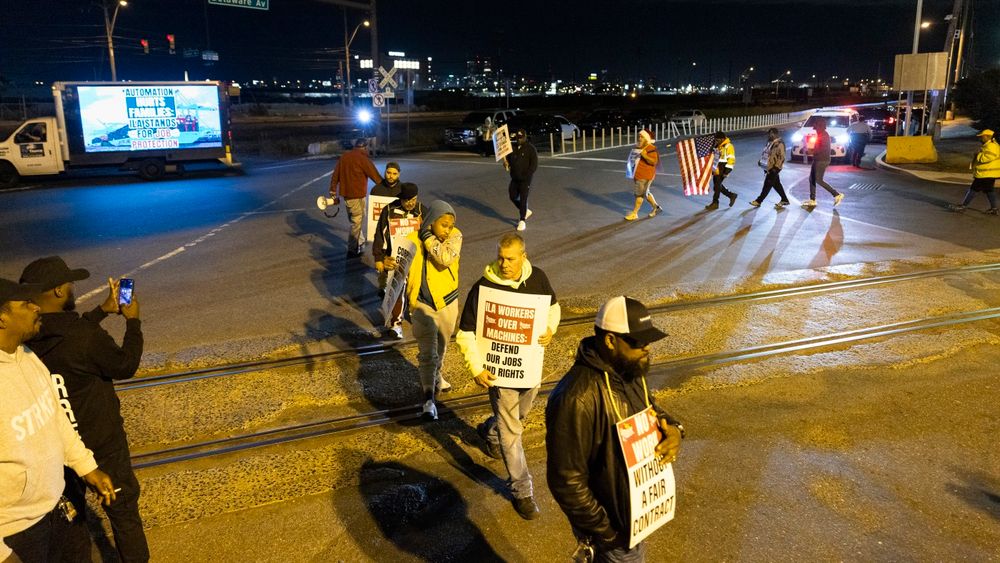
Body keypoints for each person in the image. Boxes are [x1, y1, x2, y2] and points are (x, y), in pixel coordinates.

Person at [19, 256, 148, 562]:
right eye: (69, 283)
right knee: (123, 512)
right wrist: (133, 321)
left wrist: (101, 311)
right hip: (103, 445)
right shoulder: (85, 338)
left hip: (60, 448)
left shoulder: (26, 338)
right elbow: (125, 364)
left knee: (71, 521)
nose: (73, 287)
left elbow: (68, 333)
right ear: (59, 292)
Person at [546, 296, 684, 563]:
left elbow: (652, 410)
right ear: (610, 341)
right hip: (614, 533)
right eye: (637, 343)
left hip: (633, 520)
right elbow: (566, 481)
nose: (647, 349)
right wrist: (607, 533)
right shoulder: (576, 398)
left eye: (648, 341)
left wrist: (676, 430)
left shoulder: (628, 371)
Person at [1, 277, 117, 563]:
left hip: (58, 510)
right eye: (25, 304)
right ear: (2, 319)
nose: (36, 307)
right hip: (17, 533)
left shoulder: (27, 356)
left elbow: (56, 418)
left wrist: (87, 466)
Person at [455, 233, 560, 520]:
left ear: (523, 257)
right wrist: (476, 368)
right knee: (513, 433)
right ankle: (522, 490)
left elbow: (553, 307)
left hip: (529, 371)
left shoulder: (537, 278)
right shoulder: (484, 286)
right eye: (500, 257)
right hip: (500, 375)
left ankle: (490, 431)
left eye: (510, 259)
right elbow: (464, 333)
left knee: (514, 421)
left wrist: (550, 328)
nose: (504, 264)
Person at [406, 200, 462, 420]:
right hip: (421, 304)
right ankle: (429, 398)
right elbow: (399, 267)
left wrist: (428, 237)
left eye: (450, 225)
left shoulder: (455, 236)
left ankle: (437, 375)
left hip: (447, 302)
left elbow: (444, 259)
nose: (447, 229)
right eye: (444, 225)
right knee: (427, 354)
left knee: (442, 347)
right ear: (431, 221)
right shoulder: (411, 240)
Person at [373, 182, 426, 338]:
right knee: (397, 291)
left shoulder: (423, 211)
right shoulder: (389, 211)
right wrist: (379, 258)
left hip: (417, 260)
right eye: (406, 200)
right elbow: (380, 236)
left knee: (418, 290)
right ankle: (396, 325)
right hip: (396, 259)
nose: (410, 203)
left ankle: (417, 315)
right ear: (400, 198)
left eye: (413, 199)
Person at [329, 138, 383, 256]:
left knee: (355, 220)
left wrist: (333, 191)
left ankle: (360, 242)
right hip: (357, 197)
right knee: (357, 222)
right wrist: (388, 187)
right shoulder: (363, 159)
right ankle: (352, 249)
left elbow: (335, 175)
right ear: (364, 147)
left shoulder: (344, 157)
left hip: (347, 197)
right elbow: (375, 176)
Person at [951, 129, 1000, 215]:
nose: (980, 138)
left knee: (973, 190)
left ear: (988, 137)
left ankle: (963, 206)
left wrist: (978, 154)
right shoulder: (989, 145)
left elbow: (988, 158)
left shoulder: (991, 146)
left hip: (985, 174)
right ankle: (994, 209)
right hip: (987, 173)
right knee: (989, 190)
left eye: (982, 137)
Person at [803, 117, 844, 209]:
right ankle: (812, 200)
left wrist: (811, 151)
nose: (815, 129)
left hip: (822, 160)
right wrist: (812, 151)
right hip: (817, 159)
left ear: (820, 126)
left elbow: (822, 149)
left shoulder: (824, 136)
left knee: (818, 180)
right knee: (812, 179)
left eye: (816, 127)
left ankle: (836, 194)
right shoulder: (821, 134)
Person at [625, 130, 664, 221]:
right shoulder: (639, 147)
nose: (639, 138)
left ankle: (634, 213)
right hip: (638, 175)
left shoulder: (650, 148)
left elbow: (654, 161)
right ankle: (656, 207)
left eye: (642, 137)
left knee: (639, 195)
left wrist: (645, 155)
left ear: (646, 138)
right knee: (645, 193)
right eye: (639, 136)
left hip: (645, 175)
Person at [503, 129, 538, 231]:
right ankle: (525, 210)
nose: (519, 140)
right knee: (512, 196)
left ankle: (522, 220)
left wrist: (527, 175)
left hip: (525, 179)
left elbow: (534, 165)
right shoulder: (513, 148)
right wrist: (506, 164)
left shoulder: (531, 149)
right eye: (518, 138)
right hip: (514, 178)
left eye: (521, 138)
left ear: (525, 137)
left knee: (523, 198)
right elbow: (509, 163)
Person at [750, 128, 790, 209]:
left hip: (774, 168)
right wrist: (761, 161)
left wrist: (776, 168)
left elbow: (781, 157)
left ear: (775, 134)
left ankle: (758, 201)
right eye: (769, 133)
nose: (769, 135)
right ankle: (784, 199)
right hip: (769, 167)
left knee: (767, 185)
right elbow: (766, 153)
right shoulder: (770, 143)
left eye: (771, 133)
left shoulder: (779, 144)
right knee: (776, 184)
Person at [705, 130, 737, 210]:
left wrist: (727, 171)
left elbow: (731, 159)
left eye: (718, 140)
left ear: (722, 139)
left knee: (717, 186)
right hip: (716, 168)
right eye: (715, 140)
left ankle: (715, 203)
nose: (716, 141)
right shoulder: (718, 146)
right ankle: (731, 195)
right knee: (717, 186)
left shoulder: (728, 146)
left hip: (723, 168)